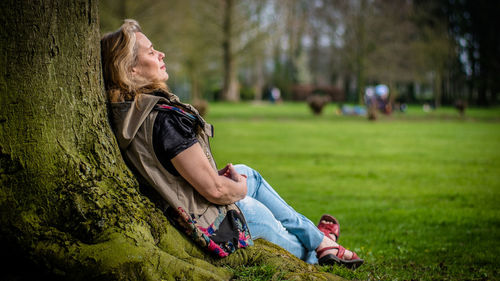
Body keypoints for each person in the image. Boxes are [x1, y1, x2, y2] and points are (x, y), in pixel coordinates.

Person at [100, 19, 363, 268]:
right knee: (257, 202)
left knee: (252, 175)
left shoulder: (126, 112)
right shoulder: (165, 120)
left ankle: (319, 239)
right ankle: (321, 247)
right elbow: (215, 191)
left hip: (186, 209)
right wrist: (238, 188)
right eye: (151, 52)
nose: (162, 54)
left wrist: (234, 182)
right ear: (130, 68)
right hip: (217, 223)